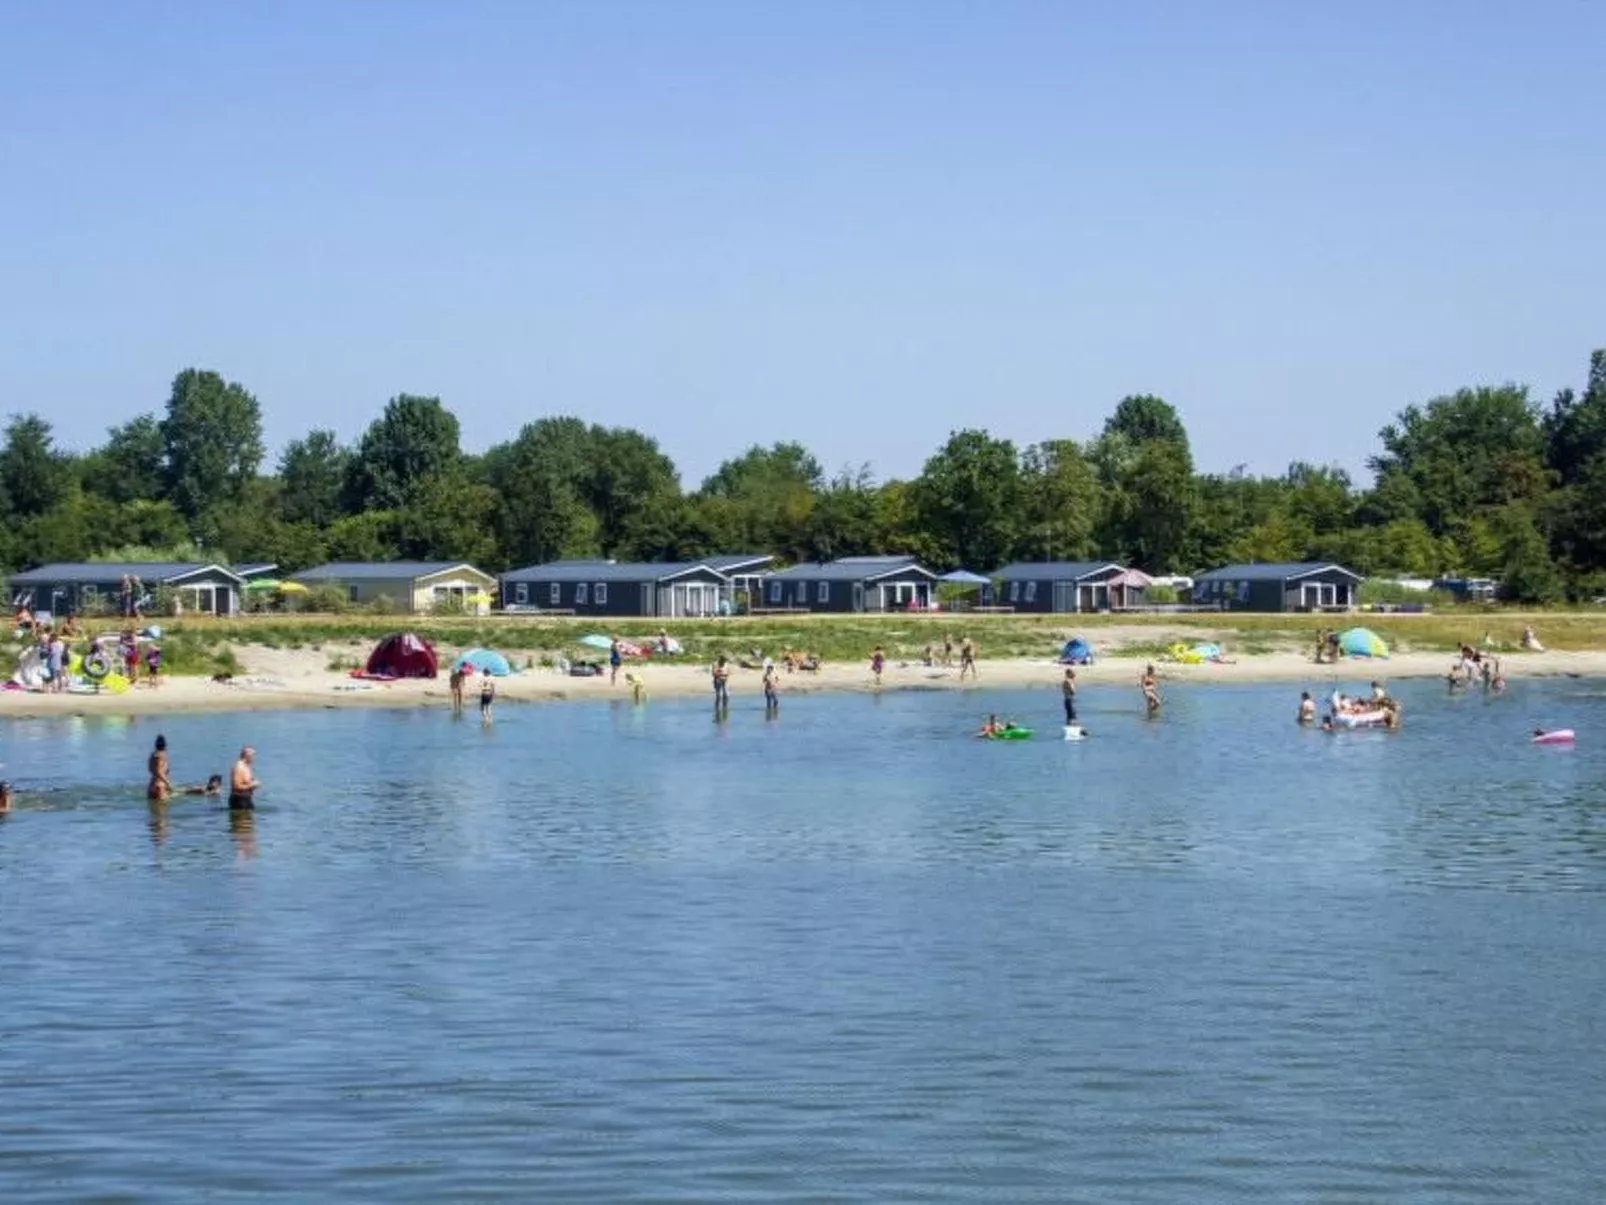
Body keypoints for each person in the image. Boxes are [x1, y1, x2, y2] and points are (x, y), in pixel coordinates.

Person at [147, 735, 172, 801]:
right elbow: (159, 771)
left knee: (153, 809)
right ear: (165, 745)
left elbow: (150, 769)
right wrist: (168, 783)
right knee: (162, 809)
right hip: (159, 786)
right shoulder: (161, 755)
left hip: (151, 785)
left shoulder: (153, 755)